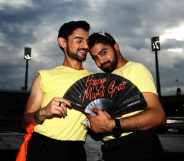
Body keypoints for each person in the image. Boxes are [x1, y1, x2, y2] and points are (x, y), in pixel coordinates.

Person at [87, 32, 166, 161]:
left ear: (116, 47)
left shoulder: (135, 69)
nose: (100, 61)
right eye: (95, 57)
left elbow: (158, 115)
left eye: (104, 52)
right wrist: (95, 126)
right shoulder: (103, 81)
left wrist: (113, 125)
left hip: (138, 146)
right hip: (110, 149)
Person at [23, 20, 91, 161]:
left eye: (87, 41)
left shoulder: (95, 80)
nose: (85, 46)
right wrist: (44, 112)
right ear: (62, 42)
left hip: (76, 150)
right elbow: (26, 119)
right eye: (79, 40)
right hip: (43, 146)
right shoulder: (45, 75)